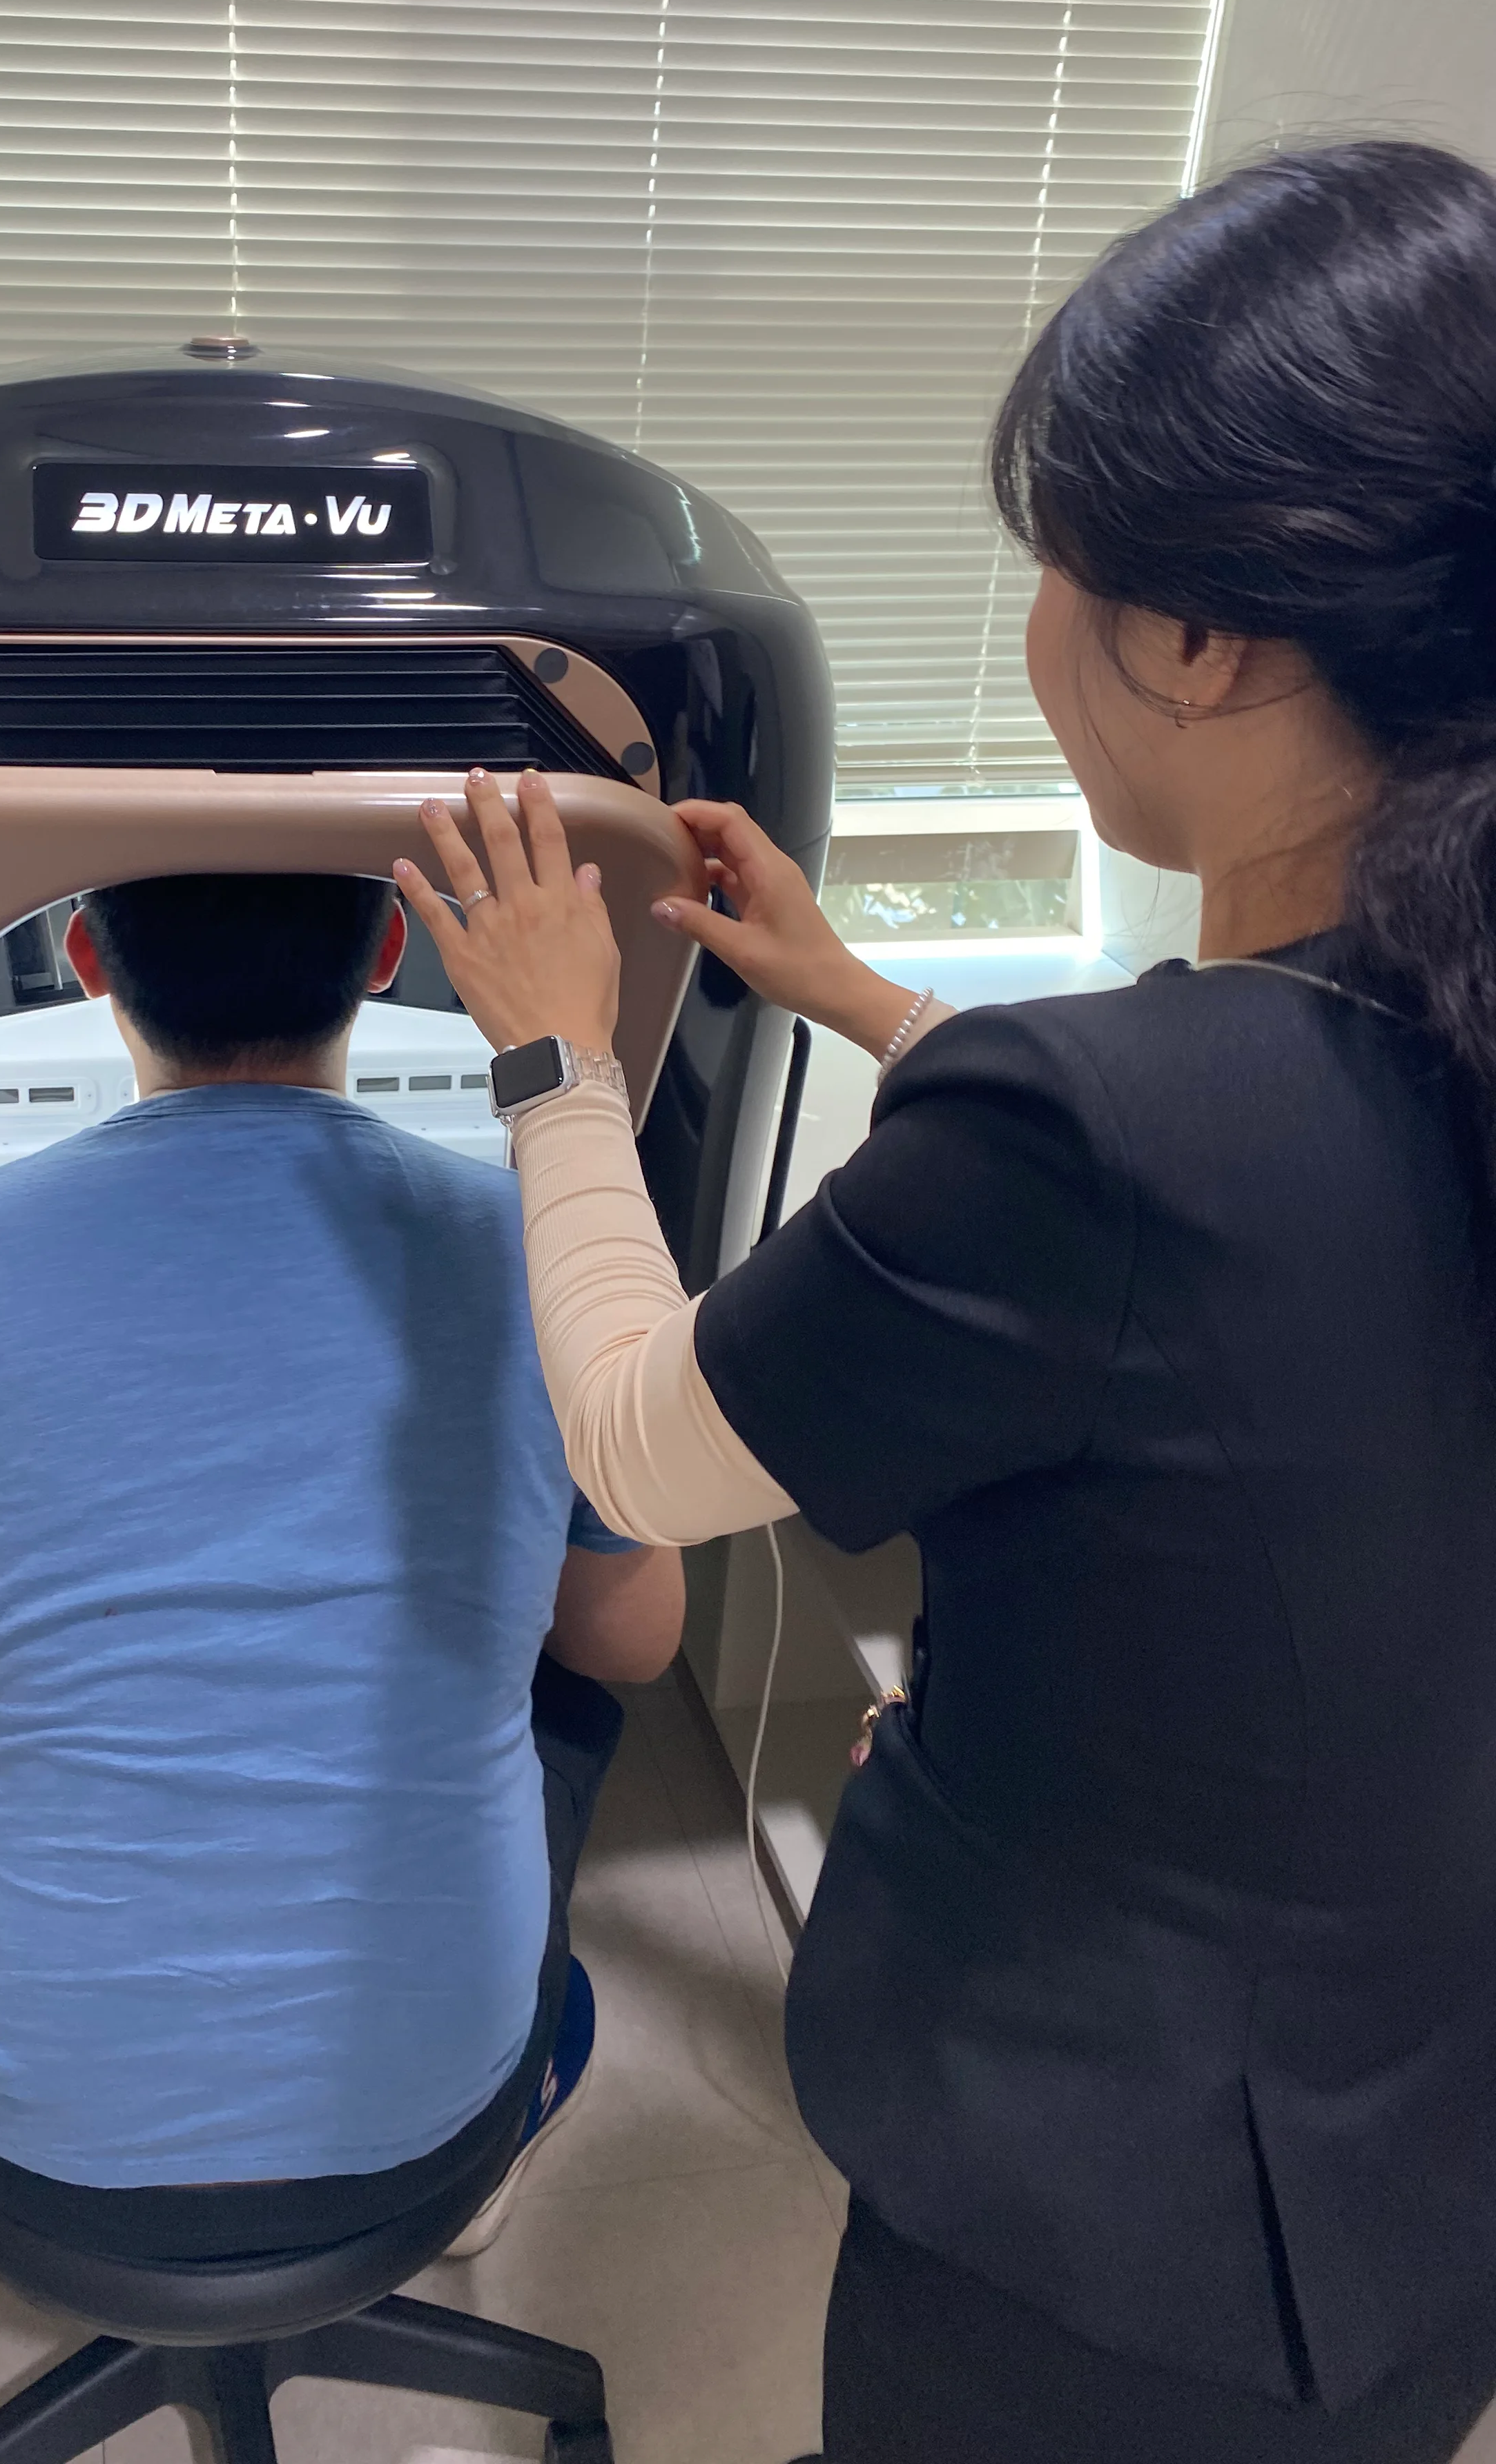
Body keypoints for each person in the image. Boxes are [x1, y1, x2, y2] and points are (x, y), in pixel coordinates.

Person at [392, 139, 1496, 2462]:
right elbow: (1258, 1219)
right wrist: (870, 1000)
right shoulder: (1399, 1028)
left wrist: (542, 1057)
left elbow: (634, 1438)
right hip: (1413, 2152)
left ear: (1199, 641)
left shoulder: (1097, 1128)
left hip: (1116, 2239)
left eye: (1055, 569)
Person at [0, 869, 683, 2325]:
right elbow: (633, 1643)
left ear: (85, 958)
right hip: (426, 2157)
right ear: (392, 952)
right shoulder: (537, 1253)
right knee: (563, 1667)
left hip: (28, 2175)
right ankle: (496, 2112)